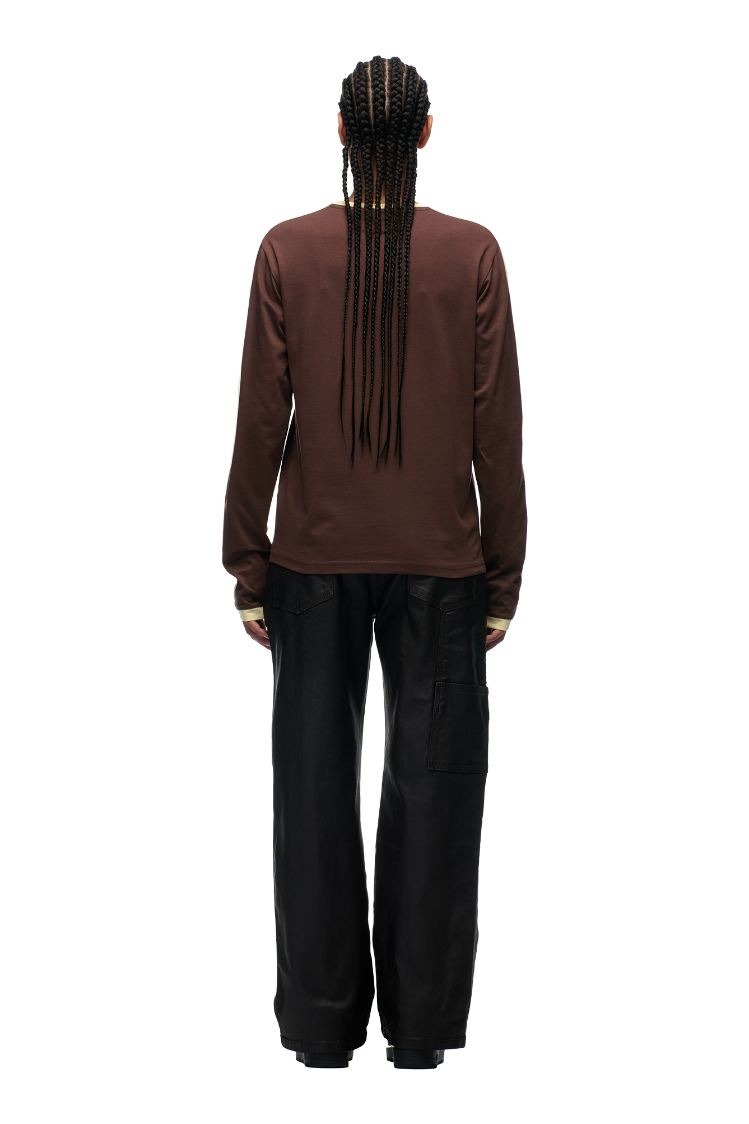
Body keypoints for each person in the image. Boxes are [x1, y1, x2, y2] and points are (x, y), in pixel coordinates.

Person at [222, 55, 526, 1070]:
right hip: (443, 566)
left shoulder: (285, 248)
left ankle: (317, 1032)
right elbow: (497, 427)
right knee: (437, 793)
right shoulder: (472, 251)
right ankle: (422, 1035)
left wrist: (247, 563)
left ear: (341, 132)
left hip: (310, 561)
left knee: (311, 789)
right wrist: (502, 572)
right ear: (427, 133)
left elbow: (259, 419)